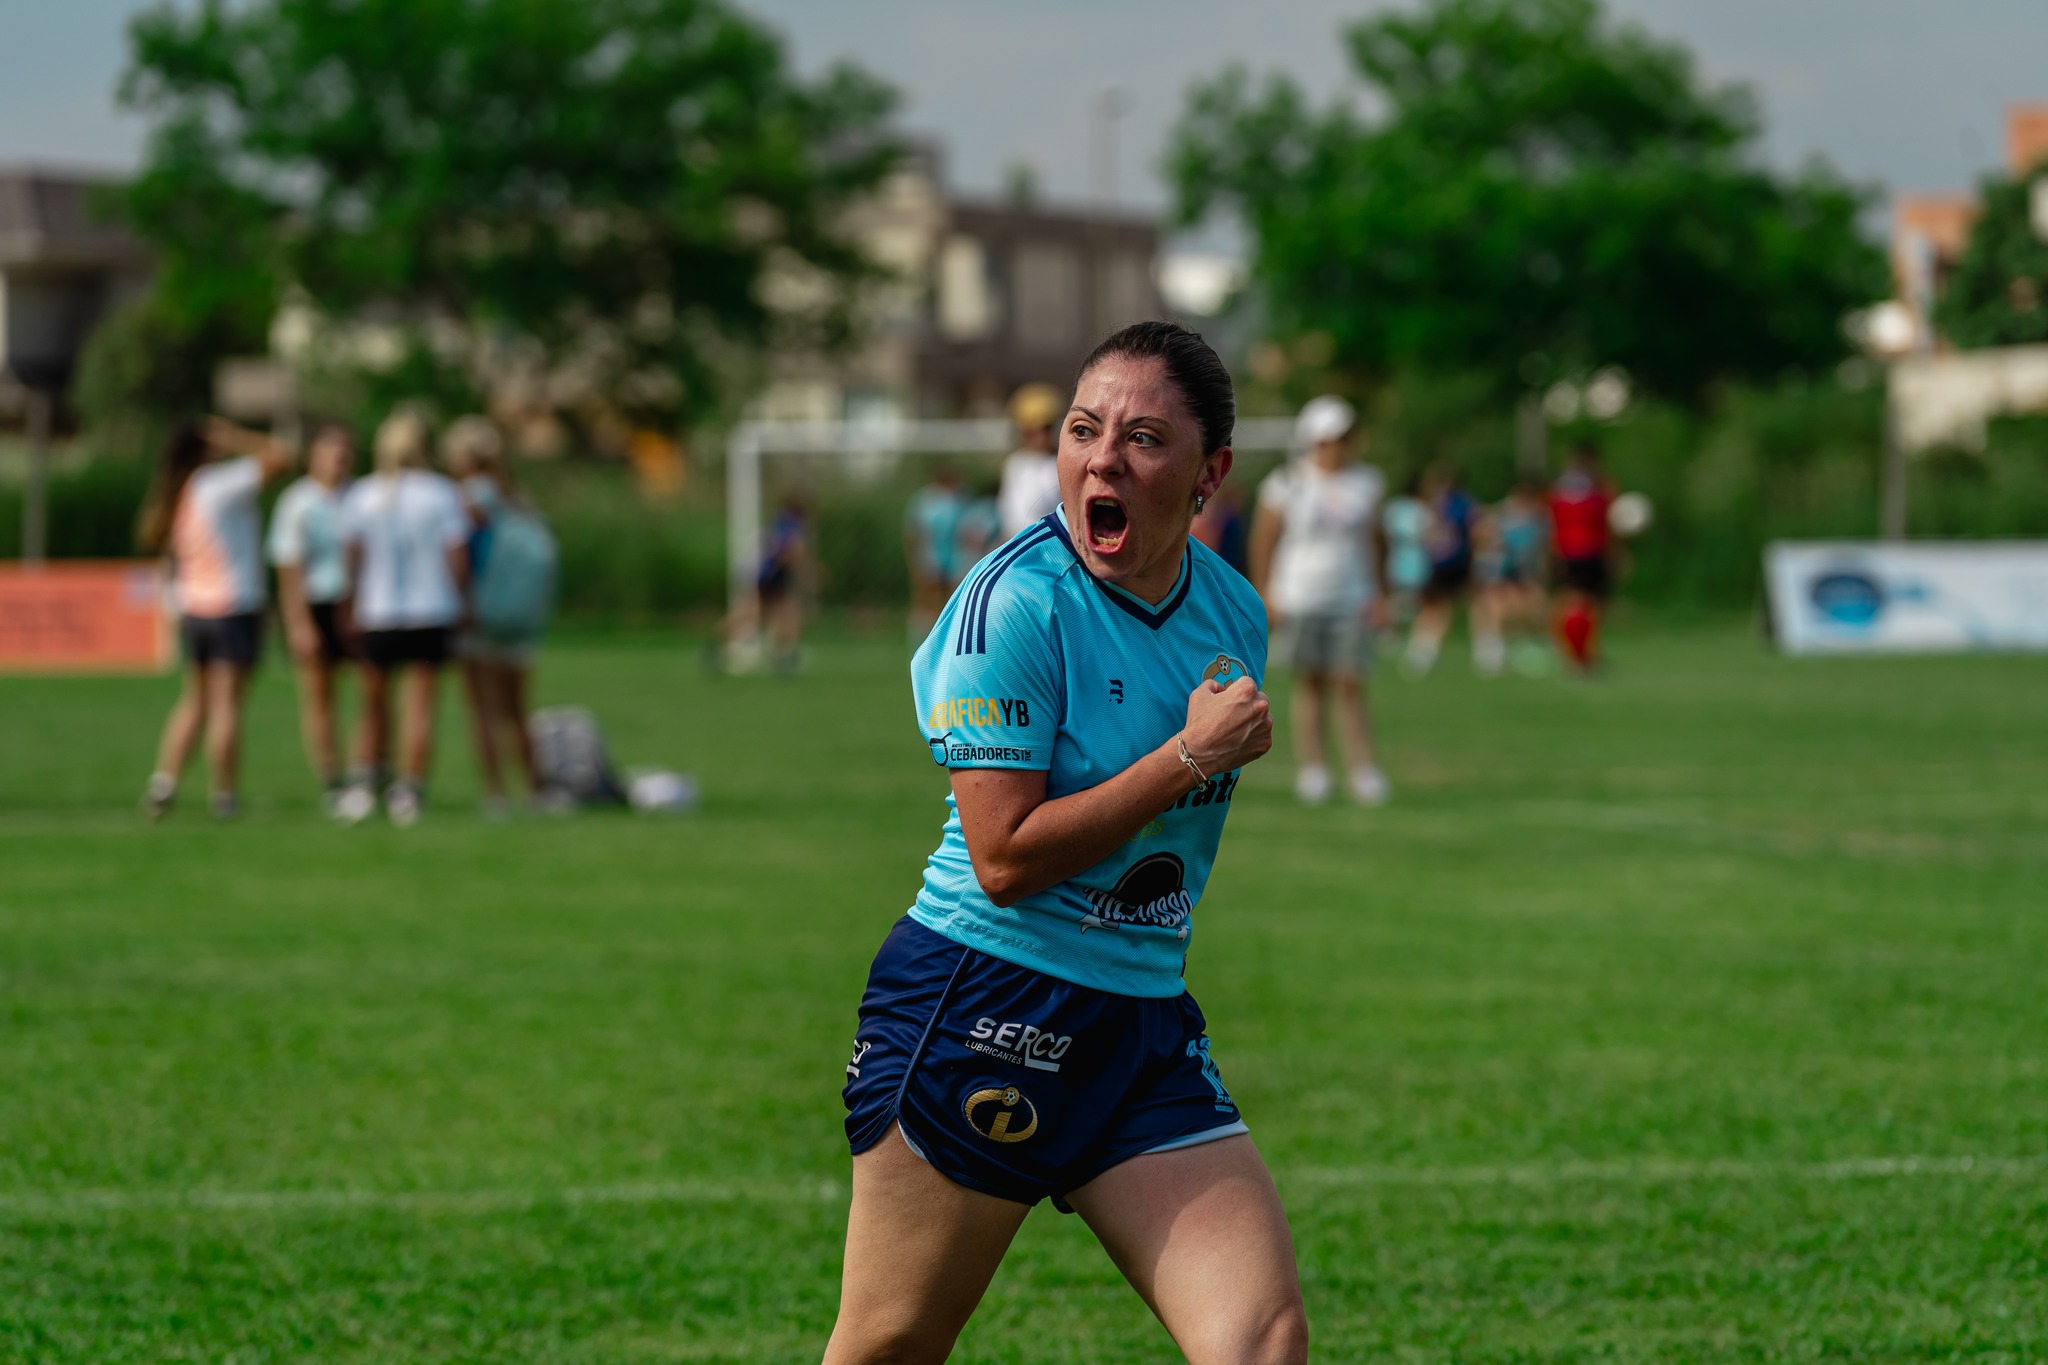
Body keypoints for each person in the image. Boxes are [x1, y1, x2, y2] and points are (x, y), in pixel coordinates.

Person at [829, 321, 1304, 1365]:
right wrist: (1184, 755)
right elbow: (1003, 860)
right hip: (981, 1001)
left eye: (1142, 438)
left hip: (1137, 1023)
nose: (1101, 458)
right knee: (887, 1347)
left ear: (1208, 471)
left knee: (1259, 1340)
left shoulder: (1232, 611)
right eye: (1085, 431)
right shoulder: (1014, 604)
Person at [140, 418, 297, 820]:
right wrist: (238, 437)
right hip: (232, 605)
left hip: (196, 609)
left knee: (195, 701)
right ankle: (224, 795)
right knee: (228, 705)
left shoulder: (180, 494)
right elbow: (283, 454)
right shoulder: (219, 484)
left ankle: (164, 782)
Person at [1248, 395, 1391, 806]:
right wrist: (1267, 592)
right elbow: (1265, 539)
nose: (1340, 445)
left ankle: (1362, 768)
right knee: (1310, 683)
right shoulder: (1287, 482)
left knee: (1351, 682)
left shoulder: (1367, 482)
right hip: (1301, 596)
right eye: (1332, 437)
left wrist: (1382, 593)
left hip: (1353, 597)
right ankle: (1314, 770)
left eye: (1345, 436)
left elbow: (1377, 543)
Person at [334, 410, 470, 826]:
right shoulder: (441, 493)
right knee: (421, 705)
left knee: (372, 704)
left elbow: (351, 557)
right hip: (430, 609)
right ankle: (409, 787)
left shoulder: (363, 494)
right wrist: (463, 600)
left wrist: (349, 603)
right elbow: (457, 556)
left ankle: (364, 780)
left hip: (379, 610)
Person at [443, 415, 553, 815]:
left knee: (483, 711)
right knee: (518, 711)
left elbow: (458, 556)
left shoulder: (466, 500)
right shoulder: (518, 497)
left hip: (481, 614)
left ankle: (496, 793)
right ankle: (536, 789)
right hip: (520, 617)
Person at [268, 422, 357, 813]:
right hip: (316, 603)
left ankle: (370, 770)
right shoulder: (297, 502)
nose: (338, 460)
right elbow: (289, 569)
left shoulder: (360, 496)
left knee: (372, 691)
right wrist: (299, 624)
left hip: (355, 604)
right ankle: (332, 778)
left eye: (344, 452)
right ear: (314, 456)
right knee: (320, 697)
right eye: (331, 451)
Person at [1401, 463, 1479, 677]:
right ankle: (1425, 650)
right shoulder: (1462, 504)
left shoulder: (1431, 505)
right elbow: (1474, 532)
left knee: (1432, 607)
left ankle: (1420, 648)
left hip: (1437, 563)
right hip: (1452, 562)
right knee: (1444, 608)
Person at [1550, 440, 1617, 673]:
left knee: (1573, 603)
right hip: (1589, 551)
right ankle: (1579, 655)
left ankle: (1576, 654)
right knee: (1587, 605)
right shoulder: (1600, 489)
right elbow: (1609, 523)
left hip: (1568, 552)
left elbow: (1551, 522)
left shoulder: (1559, 489)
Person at [1484, 477, 1554, 676]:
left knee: (1533, 605)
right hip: (1501, 568)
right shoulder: (1501, 514)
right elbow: (1484, 535)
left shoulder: (1538, 517)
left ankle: (1529, 643)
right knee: (1500, 607)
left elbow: (1542, 546)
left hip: (1526, 570)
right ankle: (1495, 649)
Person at [903, 464, 969, 641]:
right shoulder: (927, 499)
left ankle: (946, 642)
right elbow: (914, 533)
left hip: (954, 558)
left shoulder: (960, 498)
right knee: (929, 603)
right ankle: (922, 644)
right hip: (931, 558)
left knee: (952, 602)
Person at [996, 382, 1063, 538]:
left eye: (1045, 429)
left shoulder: (1058, 464)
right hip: (1016, 544)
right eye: (1032, 431)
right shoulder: (1015, 463)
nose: (1039, 437)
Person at [1379, 474, 1432, 641]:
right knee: (1415, 599)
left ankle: (1389, 631)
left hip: (1396, 554)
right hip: (1416, 556)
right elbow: (1429, 534)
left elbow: (1383, 531)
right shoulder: (1422, 509)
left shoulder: (1394, 507)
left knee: (1396, 595)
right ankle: (1413, 633)